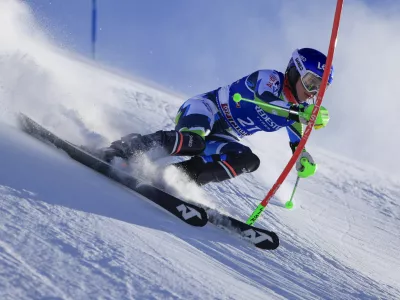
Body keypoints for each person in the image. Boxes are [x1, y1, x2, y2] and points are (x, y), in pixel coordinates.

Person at [102, 48, 333, 186]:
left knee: (248, 160)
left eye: (319, 90)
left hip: (223, 135)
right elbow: (266, 100)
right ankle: (125, 148)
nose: (312, 93)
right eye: (311, 82)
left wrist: (303, 157)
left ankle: (176, 179)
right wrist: (299, 113)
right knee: (194, 141)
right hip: (207, 109)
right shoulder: (270, 79)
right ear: (295, 70)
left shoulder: (295, 113)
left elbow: (297, 145)